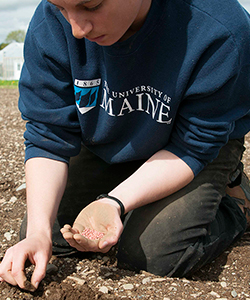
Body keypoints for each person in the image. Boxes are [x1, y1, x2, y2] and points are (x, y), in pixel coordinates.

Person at [0, 0, 250, 291]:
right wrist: (37, 232)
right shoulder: (51, 26)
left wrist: (114, 202)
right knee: (50, 233)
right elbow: (49, 136)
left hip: (190, 147)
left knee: (155, 252)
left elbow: (194, 144)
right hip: (111, 139)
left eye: (91, 6)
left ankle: (236, 199)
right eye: (62, 9)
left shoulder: (219, 27)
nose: (77, 29)